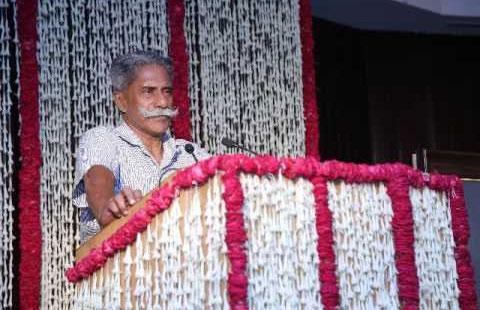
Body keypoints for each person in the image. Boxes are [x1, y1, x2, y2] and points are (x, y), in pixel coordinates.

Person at [73, 50, 209, 243]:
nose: (162, 102)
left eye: (167, 91)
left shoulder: (191, 153)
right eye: (148, 91)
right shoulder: (104, 138)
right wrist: (109, 207)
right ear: (121, 101)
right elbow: (97, 177)